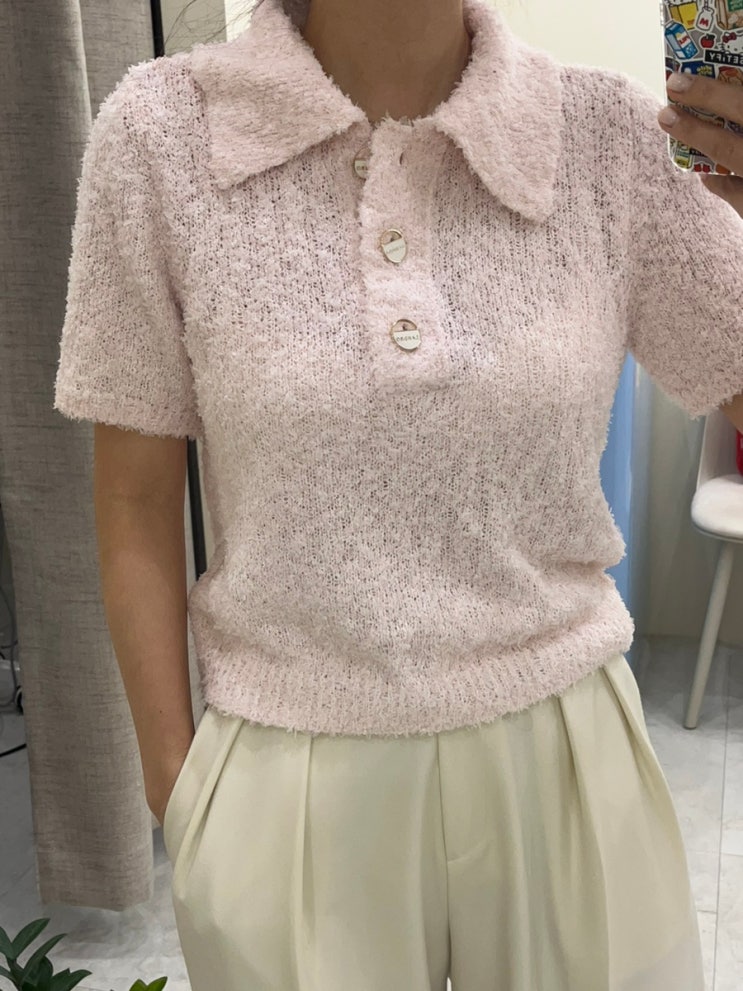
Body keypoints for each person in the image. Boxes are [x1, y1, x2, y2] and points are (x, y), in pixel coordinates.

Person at [54, 0, 743, 987]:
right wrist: (182, 790)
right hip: (287, 772)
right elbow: (132, 499)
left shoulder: (607, 138)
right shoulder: (160, 138)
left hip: (566, 756)